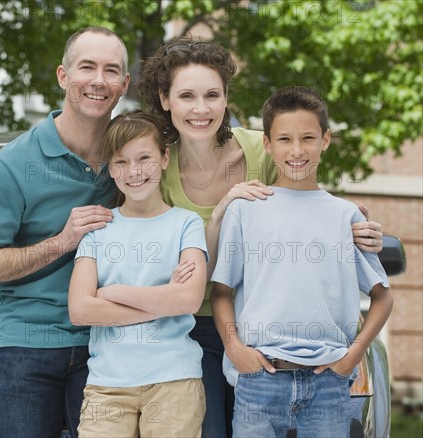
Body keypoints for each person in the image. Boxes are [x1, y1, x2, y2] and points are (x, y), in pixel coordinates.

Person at [135, 36, 385, 438]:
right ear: (165, 100)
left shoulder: (263, 150)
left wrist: (353, 226)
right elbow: (151, 258)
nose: (201, 109)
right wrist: (219, 215)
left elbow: (303, 203)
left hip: (262, 332)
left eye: (212, 95)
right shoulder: (154, 165)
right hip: (182, 329)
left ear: (226, 97)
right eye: (186, 96)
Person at [0, 27, 130, 438]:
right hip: (28, 344)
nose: (98, 80)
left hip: (106, 342)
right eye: (86, 67)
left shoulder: (132, 156)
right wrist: (62, 240)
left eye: (111, 71)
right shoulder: (15, 162)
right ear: (62, 76)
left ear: (125, 85)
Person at [210, 85, 393, 437]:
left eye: (308, 138)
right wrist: (234, 347)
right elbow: (221, 291)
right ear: (268, 144)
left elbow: (383, 296)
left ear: (325, 140)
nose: (296, 150)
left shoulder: (347, 216)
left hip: (328, 384)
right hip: (259, 380)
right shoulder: (246, 211)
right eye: (284, 139)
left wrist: (350, 358)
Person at [68, 110, 208, 437]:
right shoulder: (98, 230)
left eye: (144, 158)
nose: (134, 172)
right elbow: (81, 309)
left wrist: (113, 293)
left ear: (164, 158)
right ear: (110, 168)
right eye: (121, 162)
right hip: (108, 385)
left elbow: (188, 299)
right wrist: (162, 300)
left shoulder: (185, 224)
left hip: (174, 379)